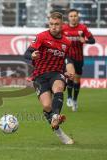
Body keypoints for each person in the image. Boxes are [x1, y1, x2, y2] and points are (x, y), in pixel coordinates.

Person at [24, 12, 75, 144]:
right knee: (47, 106)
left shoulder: (67, 43)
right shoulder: (41, 37)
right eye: (51, 24)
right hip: (40, 75)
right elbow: (26, 53)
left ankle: (56, 116)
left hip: (56, 73)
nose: (53, 27)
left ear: (62, 25)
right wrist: (32, 56)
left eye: (56, 24)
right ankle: (59, 133)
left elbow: (65, 61)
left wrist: (66, 72)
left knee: (58, 87)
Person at [62, 9, 95, 111]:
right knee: (71, 74)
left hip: (79, 58)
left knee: (77, 79)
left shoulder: (83, 28)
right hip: (68, 56)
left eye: (75, 16)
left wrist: (85, 40)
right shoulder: (64, 28)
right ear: (68, 18)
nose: (73, 18)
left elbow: (93, 40)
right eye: (71, 16)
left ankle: (75, 100)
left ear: (78, 17)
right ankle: (69, 97)